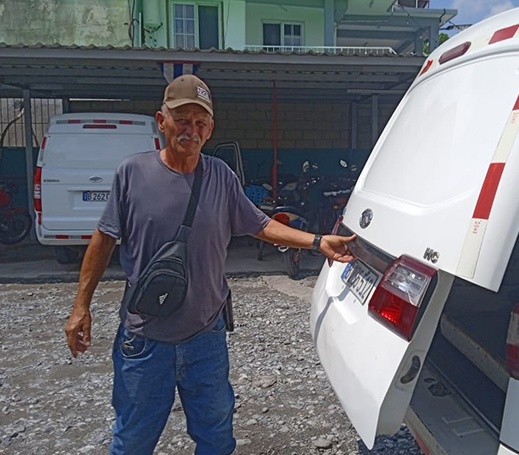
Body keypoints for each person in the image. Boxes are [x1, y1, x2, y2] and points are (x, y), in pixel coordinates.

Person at [64, 74, 356, 455]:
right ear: (162, 120)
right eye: (182, 120)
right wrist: (81, 306)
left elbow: (260, 225)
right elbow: (103, 239)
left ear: (210, 129)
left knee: (216, 439)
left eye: (200, 122)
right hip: (145, 340)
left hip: (206, 338)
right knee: (132, 441)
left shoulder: (220, 176)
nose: (192, 130)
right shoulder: (132, 174)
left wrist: (317, 242)